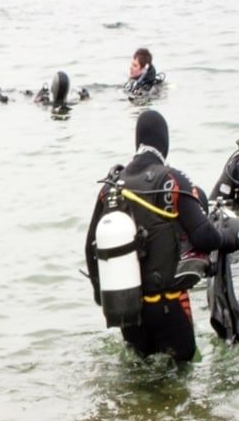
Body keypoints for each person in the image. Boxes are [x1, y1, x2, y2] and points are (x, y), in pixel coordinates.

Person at [85, 110, 227, 361]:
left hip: (126, 309)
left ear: (137, 140)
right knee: (182, 377)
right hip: (169, 306)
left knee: (139, 378)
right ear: (164, 142)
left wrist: (103, 296)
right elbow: (206, 236)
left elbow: (90, 248)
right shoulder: (170, 180)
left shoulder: (111, 187)